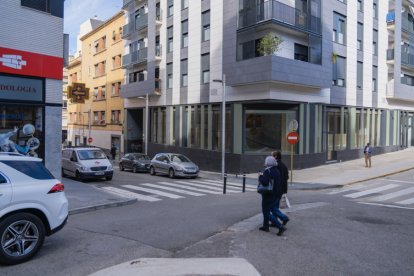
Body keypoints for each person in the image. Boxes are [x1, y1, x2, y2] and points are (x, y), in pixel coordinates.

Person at [258, 156, 287, 236]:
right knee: (270, 209)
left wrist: (260, 176)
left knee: (266, 212)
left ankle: (280, 226)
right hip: (277, 193)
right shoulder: (276, 170)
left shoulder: (268, 171)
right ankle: (265, 226)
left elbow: (264, 182)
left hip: (269, 194)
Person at [269, 150, 290, 227]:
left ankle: (284, 218)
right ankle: (275, 222)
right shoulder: (283, 165)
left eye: (271, 156)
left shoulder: (276, 166)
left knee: (272, 207)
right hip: (282, 189)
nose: (270, 157)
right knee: (275, 206)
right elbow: (287, 176)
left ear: (275, 157)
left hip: (276, 189)